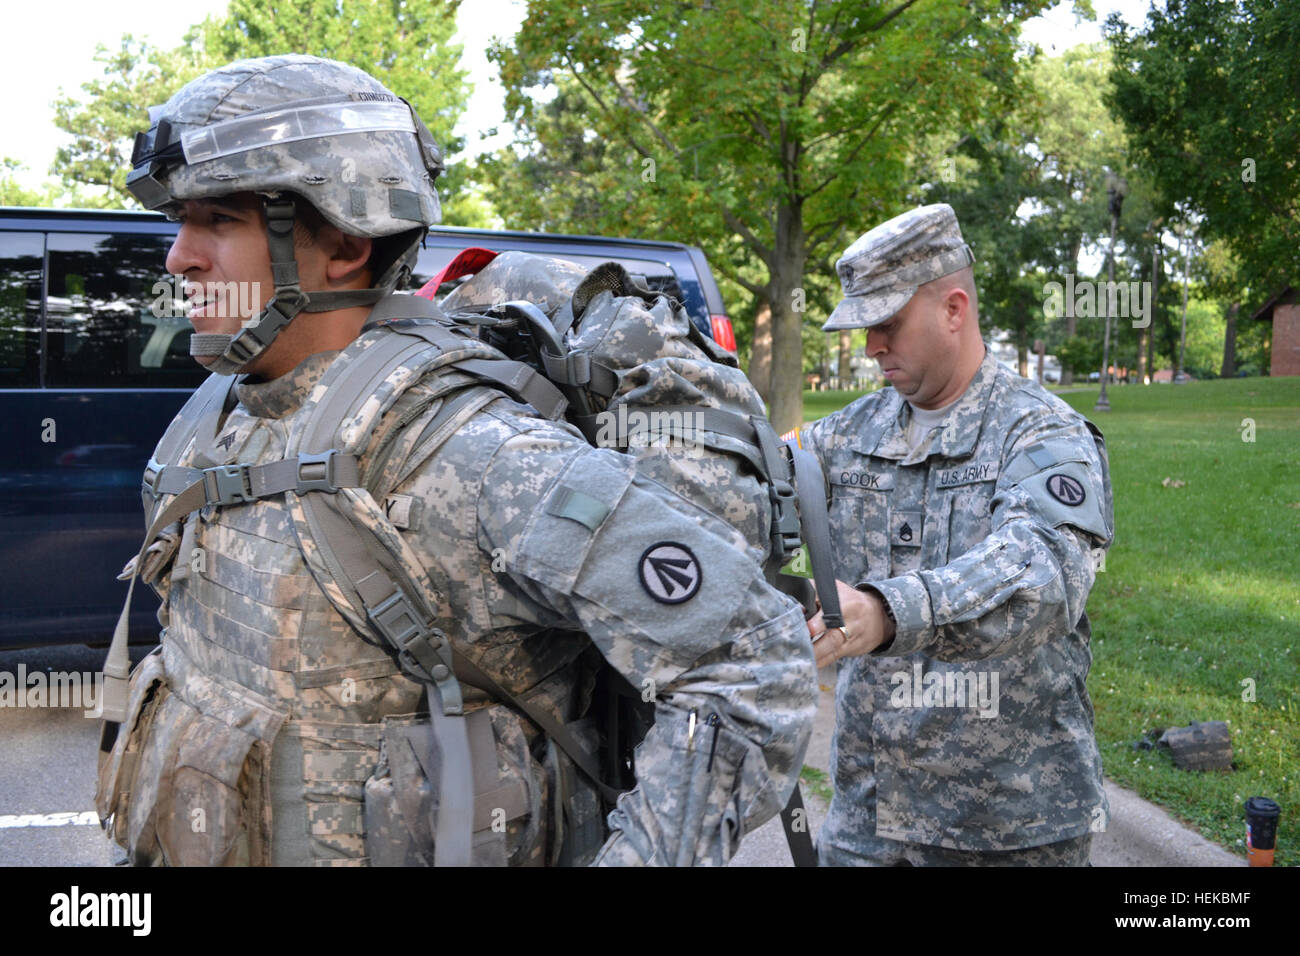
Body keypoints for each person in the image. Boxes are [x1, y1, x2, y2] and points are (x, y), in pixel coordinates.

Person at [95, 54, 815, 867]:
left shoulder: (462, 453)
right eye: (178, 221)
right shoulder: (216, 418)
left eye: (217, 221)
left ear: (342, 240)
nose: (177, 258)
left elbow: (749, 662)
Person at [791, 204, 1113, 866]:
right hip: (869, 819)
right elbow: (753, 496)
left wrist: (884, 613)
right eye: (864, 328)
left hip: (1010, 826)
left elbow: (1042, 577)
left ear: (954, 309)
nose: (872, 346)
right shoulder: (844, 435)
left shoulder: (1042, 433)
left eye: (887, 324)